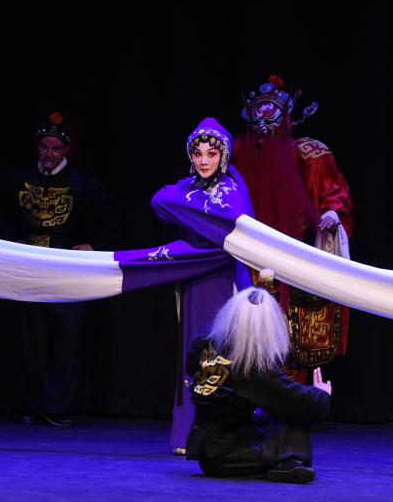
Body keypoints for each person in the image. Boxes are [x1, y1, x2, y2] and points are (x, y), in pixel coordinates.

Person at [0, 112, 123, 427]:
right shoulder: (19, 179)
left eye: (56, 148)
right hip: (28, 266)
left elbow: (114, 216)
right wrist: (13, 241)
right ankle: (32, 405)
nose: (50, 154)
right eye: (45, 147)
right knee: (32, 339)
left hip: (67, 268)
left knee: (68, 338)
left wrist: (93, 244)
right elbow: (1, 216)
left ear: (66, 149)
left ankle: (56, 407)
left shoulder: (82, 184)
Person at [231, 74, 352, 383]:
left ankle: (292, 394)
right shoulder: (235, 152)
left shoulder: (309, 152)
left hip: (294, 255)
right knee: (246, 333)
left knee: (292, 336)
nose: (263, 120)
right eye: (258, 113)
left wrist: (331, 213)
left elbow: (334, 194)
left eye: (270, 113)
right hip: (246, 256)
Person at [150, 117, 254, 453]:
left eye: (211, 153)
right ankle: (187, 433)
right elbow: (159, 201)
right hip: (193, 279)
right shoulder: (187, 188)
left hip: (222, 279)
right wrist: (198, 209)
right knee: (193, 351)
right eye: (198, 154)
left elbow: (236, 230)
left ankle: (218, 434)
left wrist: (194, 213)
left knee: (220, 352)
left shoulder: (232, 189)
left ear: (223, 155)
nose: (204, 160)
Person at [185, 284, 332, 483]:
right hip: (227, 457)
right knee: (293, 411)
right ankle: (288, 462)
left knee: (276, 411)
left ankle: (287, 463)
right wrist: (322, 394)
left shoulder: (206, 341)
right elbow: (297, 400)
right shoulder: (251, 365)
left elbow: (191, 367)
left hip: (208, 450)